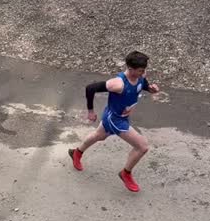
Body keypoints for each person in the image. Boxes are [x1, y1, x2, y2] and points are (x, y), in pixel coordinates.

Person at [68, 51, 159, 193]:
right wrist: (91, 111)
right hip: (115, 119)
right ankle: (125, 173)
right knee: (142, 147)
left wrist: (150, 89)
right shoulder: (118, 84)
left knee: (99, 135)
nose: (143, 73)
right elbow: (90, 88)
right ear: (131, 69)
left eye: (144, 70)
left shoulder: (141, 75)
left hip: (118, 116)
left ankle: (76, 153)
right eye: (140, 71)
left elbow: (142, 83)